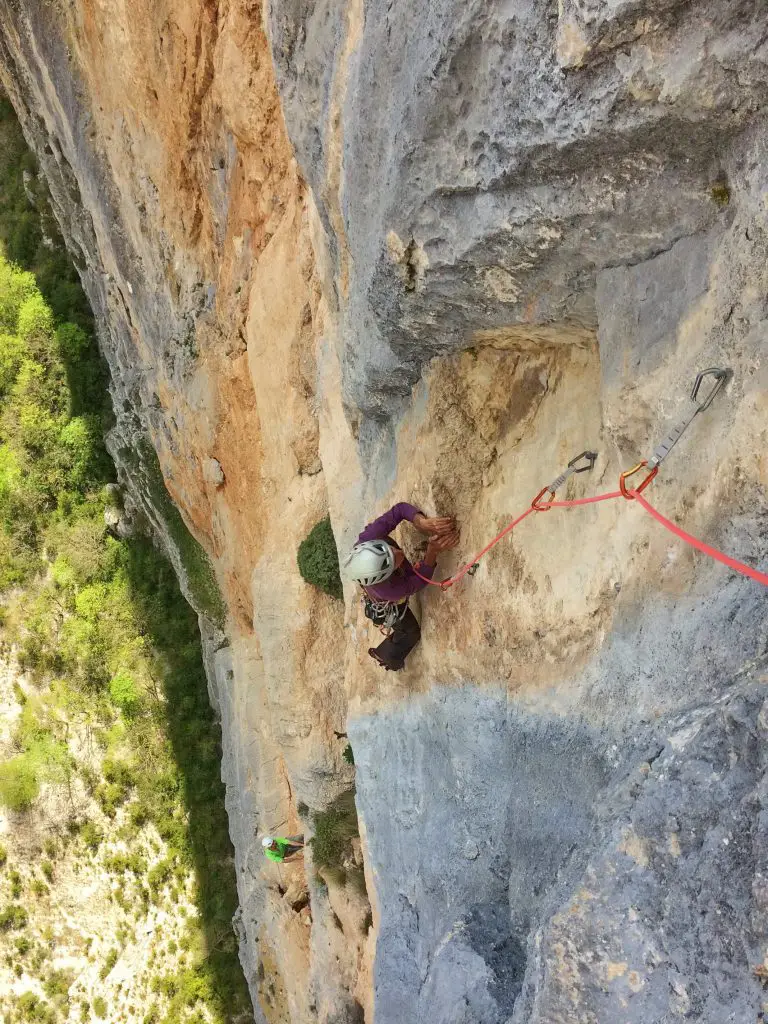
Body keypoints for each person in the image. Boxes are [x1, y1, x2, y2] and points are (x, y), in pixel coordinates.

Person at [342, 503, 459, 671]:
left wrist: (421, 522)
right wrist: (432, 551)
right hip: (390, 605)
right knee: (410, 633)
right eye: (393, 562)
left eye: (390, 549)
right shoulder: (390, 590)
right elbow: (419, 581)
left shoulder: (368, 540)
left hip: (382, 589)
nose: (399, 553)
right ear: (384, 576)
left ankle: (385, 654)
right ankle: (388, 658)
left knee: (407, 631)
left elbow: (398, 511)